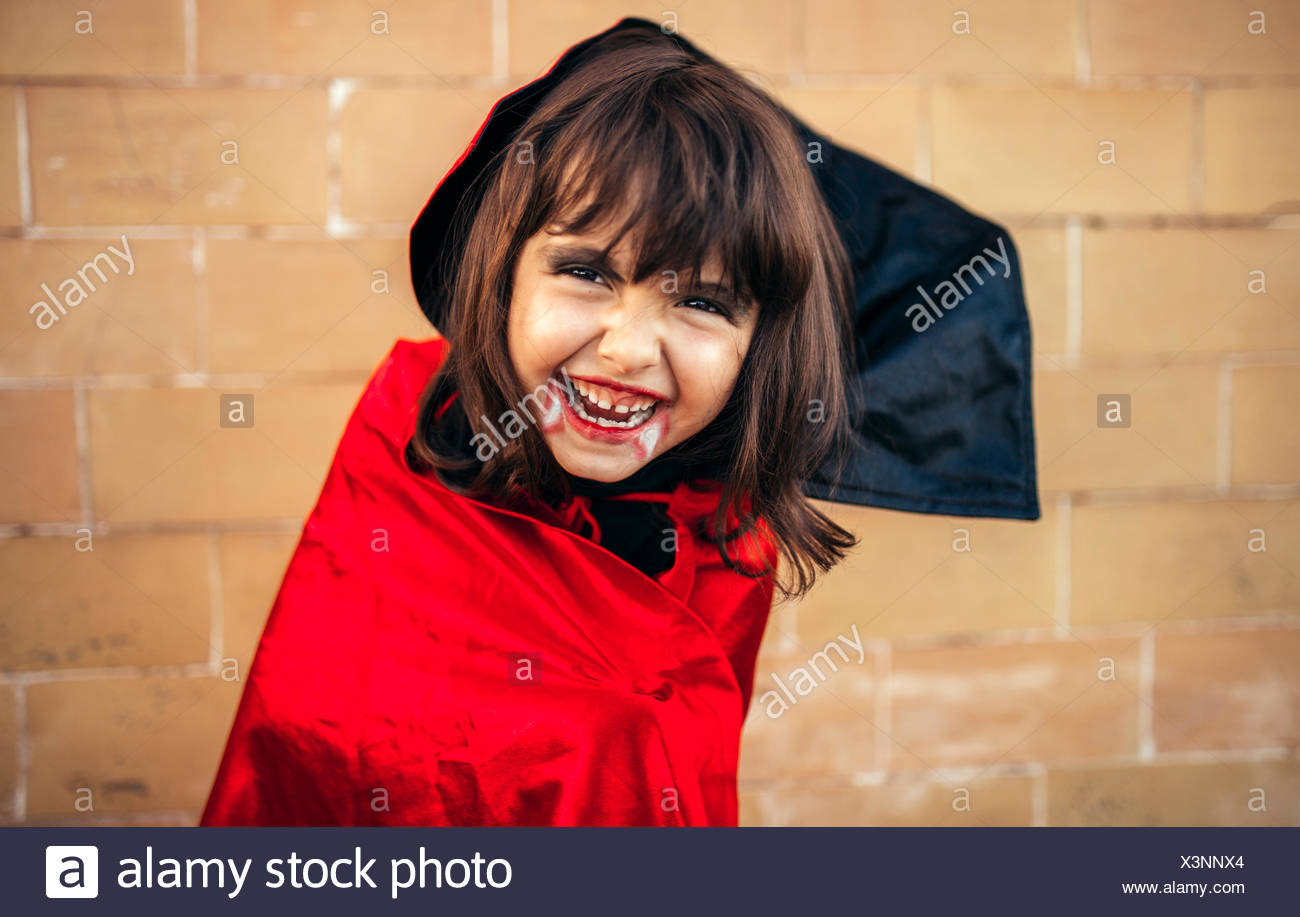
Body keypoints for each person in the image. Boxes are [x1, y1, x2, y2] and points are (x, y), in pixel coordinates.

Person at [200, 17, 1038, 827]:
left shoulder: (721, 535)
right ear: (502, 275)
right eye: (587, 272)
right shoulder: (402, 453)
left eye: (704, 301)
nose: (631, 349)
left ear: (759, 344)